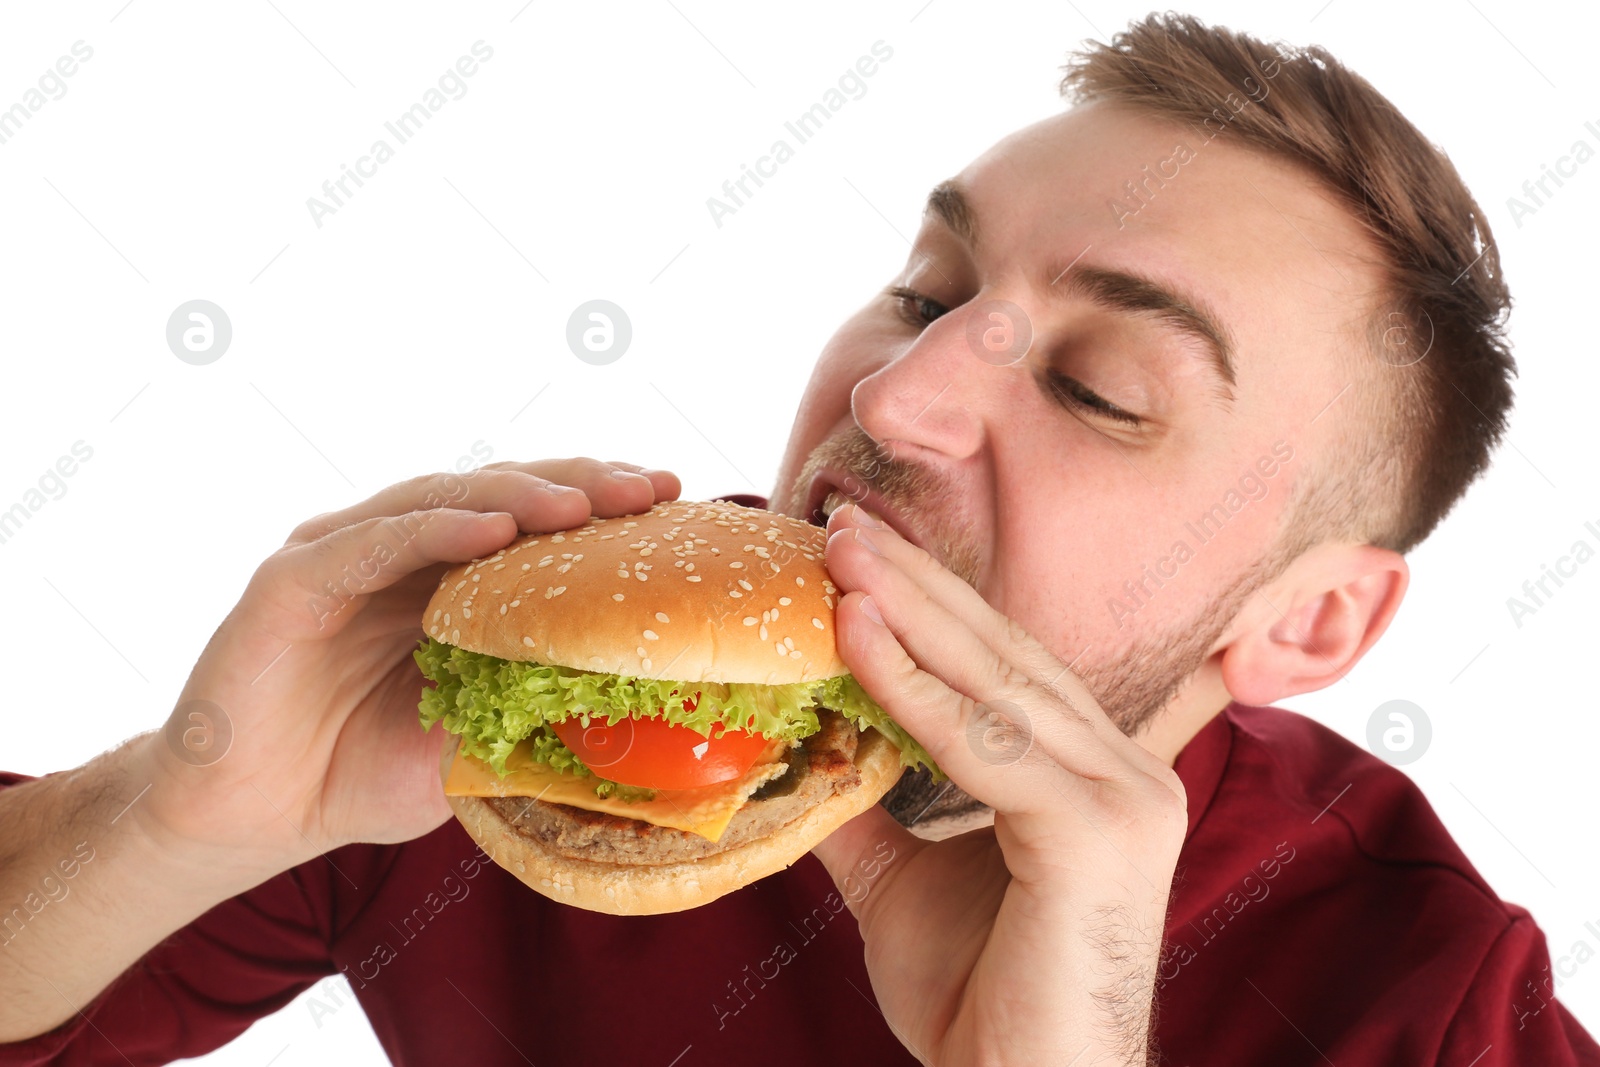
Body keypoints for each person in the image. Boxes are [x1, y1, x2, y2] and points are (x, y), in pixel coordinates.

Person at [2, 12, 1595, 1065]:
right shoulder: (513, 719)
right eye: (925, 292)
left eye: (1102, 390)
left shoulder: (1433, 996)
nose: (894, 398)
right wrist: (168, 813)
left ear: (1311, 625)